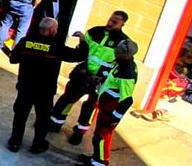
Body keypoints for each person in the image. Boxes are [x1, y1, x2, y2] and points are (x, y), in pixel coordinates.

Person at [50, 10, 131, 145]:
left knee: (90, 107)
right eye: (110, 19)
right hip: (83, 74)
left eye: (115, 22)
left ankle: (79, 133)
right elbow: (82, 51)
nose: (110, 23)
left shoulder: (122, 43)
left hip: (101, 81)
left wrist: (103, 78)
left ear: (123, 24)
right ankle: (55, 123)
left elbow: (120, 64)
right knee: (68, 98)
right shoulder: (94, 32)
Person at [76, 38, 140, 166]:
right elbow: (113, 81)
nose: (115, 52)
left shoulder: (126, 73)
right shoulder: (122, 63)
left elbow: (127, 100)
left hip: (111, 108)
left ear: (126, 54)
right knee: (102, 135)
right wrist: (101, 80)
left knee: (101, 137)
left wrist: (114, 118)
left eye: (118, 51)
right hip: (107, 104)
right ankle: (96, 159)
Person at [6, 16, 68, 153]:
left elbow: (13, 59)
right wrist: (83, 42)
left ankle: (15, 142)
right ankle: (38, 144)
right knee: (42, 118)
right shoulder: (56, 46)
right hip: (45, 91)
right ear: (52, 30)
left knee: (20, 115)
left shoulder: (26, 41)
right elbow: (77, 55)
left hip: (25, 87)